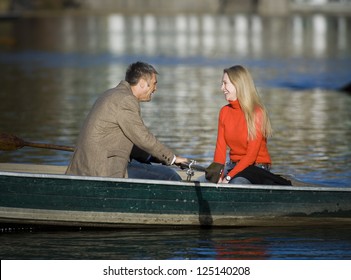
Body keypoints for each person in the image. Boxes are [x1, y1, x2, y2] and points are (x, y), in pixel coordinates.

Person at [66, 61, 188, 180]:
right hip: (103, 170)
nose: (155, 89)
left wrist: (155, 158)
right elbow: (142, 137)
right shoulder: (126, 100)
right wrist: (172, 158)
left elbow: (132, 143)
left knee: (149, 167)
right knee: (170, 175)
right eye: (154, 83)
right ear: (142, 83)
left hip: (87, 167)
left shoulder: (111, 94)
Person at [206, 65, 276, 184]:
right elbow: (220, 150)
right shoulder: (224, 112)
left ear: (238, 85)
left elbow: (251, 156)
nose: (222, 88)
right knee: (206, 180)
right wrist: (219, 175)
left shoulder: (257, 112)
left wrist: (228, 177)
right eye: (222, 84)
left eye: (225, 83)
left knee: (235, 183)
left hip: (256, 168)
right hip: (234, 167)